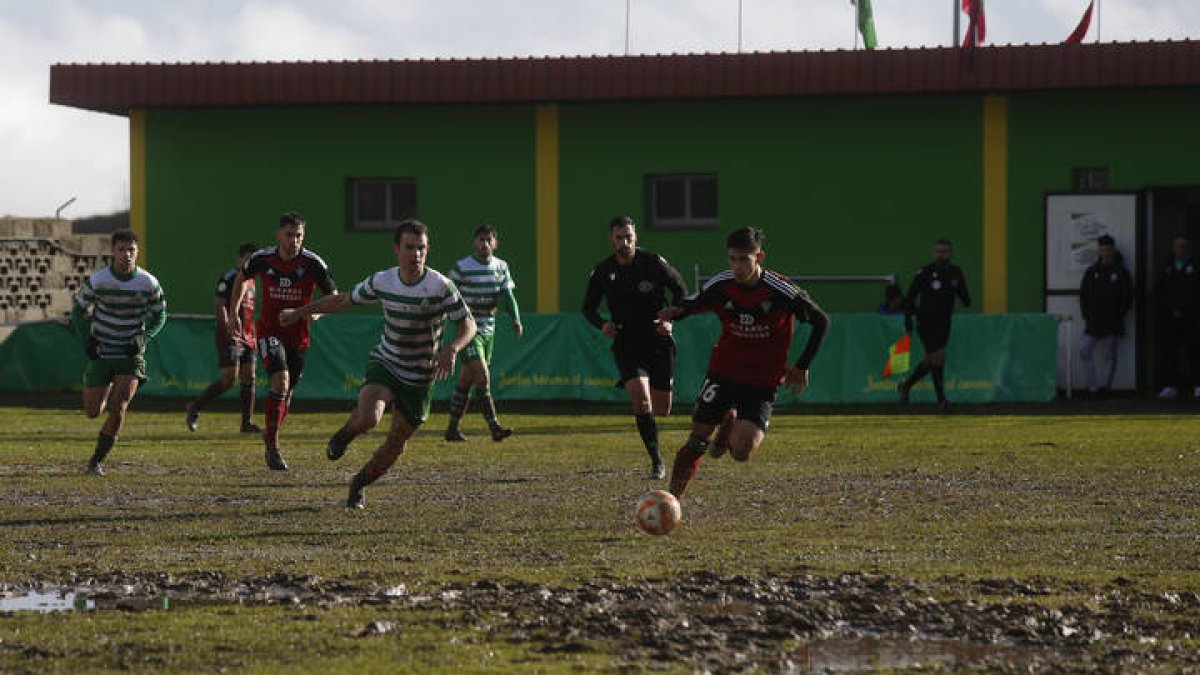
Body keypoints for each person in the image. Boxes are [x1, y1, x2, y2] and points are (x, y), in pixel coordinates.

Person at [280, 219, 475, 509]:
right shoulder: (383, 281)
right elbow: (344, 300)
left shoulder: (440, 287)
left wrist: (452, 349)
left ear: (428, 250)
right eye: (409, 248)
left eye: (421, 248)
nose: (416, 255)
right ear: (397, 249)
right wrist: (300, 312)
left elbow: (468, 324)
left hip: (421, 376)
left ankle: (359, 483)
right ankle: (345, 434)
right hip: (387, 363)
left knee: (396, 442)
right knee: (369, 417)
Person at [658, 227, 829, 499]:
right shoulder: (721, 284)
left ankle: (731, 419)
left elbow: (821, 320)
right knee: (699, 435)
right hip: (724, 369)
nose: (737, 267)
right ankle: (671, 501)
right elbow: (692, 304)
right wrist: (671, 314)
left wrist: (802, 365)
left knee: (741, 452)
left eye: (744, 259)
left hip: (762, 379)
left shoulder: (780, 289)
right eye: (732, 259)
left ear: (759, 257)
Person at [229, 212, 337, 471]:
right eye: (289, 235)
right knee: (281, 379)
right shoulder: (262, 259)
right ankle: (273, 448)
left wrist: (313, 313)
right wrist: (234, 312)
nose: (294, 240)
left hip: (299, 337)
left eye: (299, 235)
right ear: (279, 235)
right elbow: (241, 278)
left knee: (286, 395)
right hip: (269, 331)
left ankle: (270, 432)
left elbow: (332, 295)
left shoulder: (313, 263)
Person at [582, 215, 687, 479]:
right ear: (612, 239)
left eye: (629, 236)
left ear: (636, 236)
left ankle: (657, 446)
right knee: (641, 400)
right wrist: (602, 324)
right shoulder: (603, 270)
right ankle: (656, 461)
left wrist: (670, 318)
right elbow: (588, 308)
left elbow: (681, 291)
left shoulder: (653, 262)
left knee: (662, 409)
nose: (625, 242)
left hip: (658, 339)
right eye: (619, 237)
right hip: (627, 342)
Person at [70, 229, 167, 475]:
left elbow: (161, 315)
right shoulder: (99, 280)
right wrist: (87, 340)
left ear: (137, 252)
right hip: (102, 352)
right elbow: (77, 311)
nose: (126, 254)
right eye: (121, 249)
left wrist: (143, 338)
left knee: (120, 407)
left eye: (131, 250)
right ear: (112, 251)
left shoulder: (148, 282)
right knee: (93, 412)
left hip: (129, 356)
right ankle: (108, 386)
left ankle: (96, 461)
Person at [444, 225, 523, 442]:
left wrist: (515, 318)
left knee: (466, 379)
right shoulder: (462, 267)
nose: (485, 244)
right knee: (483, 375)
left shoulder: (501, 267)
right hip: (467, 329)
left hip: (489, 329)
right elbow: (447, 292)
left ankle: (452, 428)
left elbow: (508, 296)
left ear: (495, 243)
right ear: (474, 242)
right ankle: (494, 426)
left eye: (489, 240)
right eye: (481, 239)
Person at [186, 243, 262, 433]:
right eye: (247, 258)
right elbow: (219, 303)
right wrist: (227, 327)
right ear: (239, 260)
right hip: (231, 334)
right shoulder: (231, 276)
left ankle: (247, 422)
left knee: (249, 377)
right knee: (229, 379)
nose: (249, 263)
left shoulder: (252, 281)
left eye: (253, 260)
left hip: (248, 335)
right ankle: (195, 406)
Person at [897, 239, 971, 411]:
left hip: (944, 323)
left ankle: (906, 385)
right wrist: (908, 319)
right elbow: (910, 297)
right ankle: (942, 401)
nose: (940, 255)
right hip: (926, 322)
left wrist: (962, 294)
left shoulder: (956, 273)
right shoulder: (924, 272)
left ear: (950, 254)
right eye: (937, 251)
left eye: (944, 251)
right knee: (938, 357)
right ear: (933, 253)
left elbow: (966, 299)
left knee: (930, 360)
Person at [1078, 235, 1134, 398]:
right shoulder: (1092, 271)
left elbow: (1127, 297)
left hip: (1113, 321)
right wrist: (1086, 314)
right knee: (1084, 350)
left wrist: (1119, 314)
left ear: (1113, 250)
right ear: (1099, 251)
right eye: (1103, 250)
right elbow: (1084, 295)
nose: (1106, 253)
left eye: (1108, 250)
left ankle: (1105, 388)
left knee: (1110, 354)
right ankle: (1092, 387)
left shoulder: (1121, 272)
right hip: (1094, 321)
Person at [1154, 235, 1200, 400]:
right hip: (1170, 317)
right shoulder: (1166, 266)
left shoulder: (1195, 265)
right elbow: (1158, 290)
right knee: (1169, 351)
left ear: (1188, 248)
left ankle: (1197, 385)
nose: (1181, 250)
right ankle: (1170, 386)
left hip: (1191, 316)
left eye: (1184, 246)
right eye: (1178, 247)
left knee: (1194, 351)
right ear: (1174, 248)